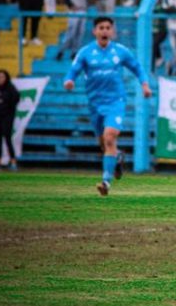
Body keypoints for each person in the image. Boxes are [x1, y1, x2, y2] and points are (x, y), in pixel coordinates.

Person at [63, 16, 152, 196]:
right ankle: (117, 157)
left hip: (116, 101)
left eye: (108, 28)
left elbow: (137, 67)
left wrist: (145, 84)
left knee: (110, 137)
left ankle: (106, 182)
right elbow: (73, 70)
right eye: (101, 28)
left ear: (112, 31)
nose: (104, 31)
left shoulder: (120, 51)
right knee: (104, 144)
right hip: (95, 103)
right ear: (94, 31)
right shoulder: (85, 52)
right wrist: (69, 80)